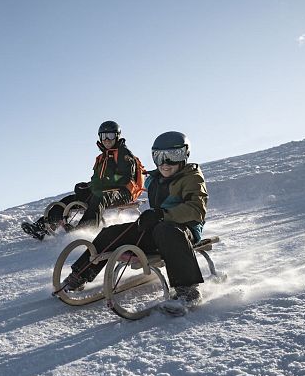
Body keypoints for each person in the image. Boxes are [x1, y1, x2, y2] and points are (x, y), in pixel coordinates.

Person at [58, 131, 208, 306]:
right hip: (157, 228)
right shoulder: (155, 179)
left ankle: (188, 291)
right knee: (111, 232)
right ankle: (79, 275)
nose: (165, 163)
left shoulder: (192, 177)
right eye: (159, 156)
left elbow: (196, 209)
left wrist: (162, 215)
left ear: (185, 155)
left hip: (183, 231)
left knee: (166, 230)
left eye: (173, 155)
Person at [22, 121, 143, 240]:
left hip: (123, 192)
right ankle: (41, 228)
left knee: (99, 198)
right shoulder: (102, 157)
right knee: (70, 199)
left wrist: (103, 183)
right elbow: (97, 179)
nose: (106, 139)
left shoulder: (123, 154)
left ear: (117, 136)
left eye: (110, 135)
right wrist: (88, 186)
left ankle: (84, 231)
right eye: (103, 136)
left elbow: (125, 178)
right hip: (105, 190)